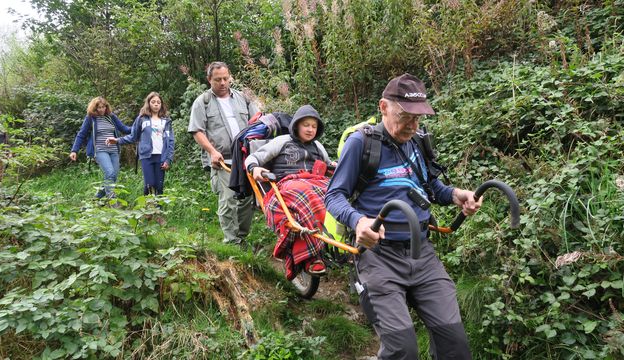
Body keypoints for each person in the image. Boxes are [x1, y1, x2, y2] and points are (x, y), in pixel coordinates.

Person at [325, 74, 483, 360]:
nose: (412, 125)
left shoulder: (418, 142)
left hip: (422, 254)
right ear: (383, 107)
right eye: (405, 116)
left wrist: (456, 194)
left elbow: (431, 188)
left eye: (418, 118)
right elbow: (334, 196)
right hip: (379, 257)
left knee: (455, 343)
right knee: (403, 350)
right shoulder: (362, 144)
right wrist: (358, 221)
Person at [245, 104, 334, 278]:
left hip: (314, 182)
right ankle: (312, 255)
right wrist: (255, 168)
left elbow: (330, 165)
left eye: (314, 126)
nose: (310, 129)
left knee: (335, 192)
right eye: (306, 125)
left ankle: (338, 242)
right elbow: (253, 157)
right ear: (297, 125)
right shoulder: (282, 141)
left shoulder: (318, 147)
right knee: (304, 191)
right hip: (288, 184)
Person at [188, 61, 258, 245]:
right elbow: (197, 130)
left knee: (246, 201)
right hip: (222, 161)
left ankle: (241, 238)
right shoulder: (202, 102)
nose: (223, 83)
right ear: (209, 79)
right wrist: (212, 152)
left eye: (226, 78)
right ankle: (231, 241)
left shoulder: (243, 98)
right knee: (228, 201)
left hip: (246, 158)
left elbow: (258, 122)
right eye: (218, 79)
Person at [106, 92, 174, 196]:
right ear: (148, 103)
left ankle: (158, 210)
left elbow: (171, 141)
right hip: (146, 156)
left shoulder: (166, 121)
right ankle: (147, 209)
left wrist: (168, 159)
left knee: (159, 186)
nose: (156, 104)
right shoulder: (141, 119)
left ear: (161, 105)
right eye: (153, 102)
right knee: (149, 184)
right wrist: (117, 140)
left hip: (161, 156)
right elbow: (133, 136)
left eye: (158, 102)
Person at [69, 97, 131, 199]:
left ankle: (96, 199)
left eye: (104, 107)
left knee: (113, 176)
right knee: (110, 173)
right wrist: (74, 150)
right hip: (100, 150)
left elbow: (124, 129)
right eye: (99, 107)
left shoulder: (111, 117)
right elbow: (81, 134)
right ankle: (112, 201)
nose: (102, 109)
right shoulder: (90, 118)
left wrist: (139, 126)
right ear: (95, 108)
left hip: (114, 150)